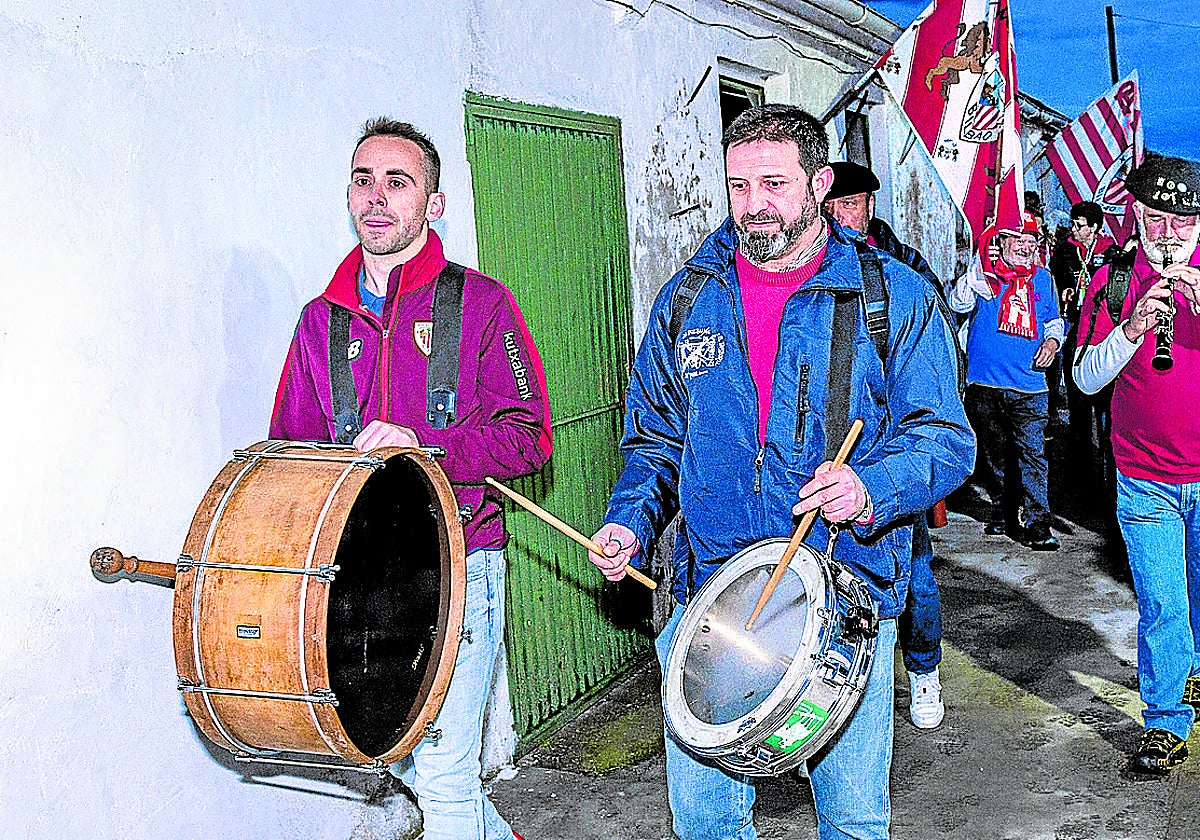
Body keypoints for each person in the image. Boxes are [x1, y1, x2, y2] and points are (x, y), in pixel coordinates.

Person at [587, 104, 974, 840]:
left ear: (819, 184)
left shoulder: (891, 297)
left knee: (854, 820)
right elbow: (656, 439)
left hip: (844, 596)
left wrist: (872, 487)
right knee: (704, 823)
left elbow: (947, 440)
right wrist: (629, 522)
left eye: (773, 183)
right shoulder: (687, 299)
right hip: (709, 598)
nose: (753, 204)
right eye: (738, 186)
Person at [270, 117, 550, 839]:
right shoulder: (319, 323)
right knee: (409, 760)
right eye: (364, 180)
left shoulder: (482, 304)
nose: (378, 197)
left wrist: (425, 447)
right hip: (353, 581)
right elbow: (291, 458)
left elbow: (530, 439)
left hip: (459, 566)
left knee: (449, 780)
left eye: (399, 182)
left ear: (434, 203)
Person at [1073, 153, 1200, 776]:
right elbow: (1085, 379)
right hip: (1144, 474)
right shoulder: (1114, 279)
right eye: (1155, 219)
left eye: (1183, 223)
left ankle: (1195, 676)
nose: (1168, 234)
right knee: (1163, 602)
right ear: (1136, 215)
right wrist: (1131, 327)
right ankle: (1167, 719)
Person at [823, 160, 948, 730]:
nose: (838, 214)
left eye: (849, 205)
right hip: (824, 464)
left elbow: (933, 374)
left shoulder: (902, 273)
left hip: (891, 462)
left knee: (914, 574)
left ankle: (924, 669)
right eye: (833, 204)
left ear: (869, 207)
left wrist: (898, 468)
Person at [949, 211, 1066, 550]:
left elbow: (1053, 320)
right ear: (1002, 242)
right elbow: (957, 303)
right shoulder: (985, 277)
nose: (1026, 247)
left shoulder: (1043, 278)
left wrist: (1052, 342)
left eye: (1031, 241)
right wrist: (974, 276)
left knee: (1032, 455)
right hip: (985, 383)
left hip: (1029, 385)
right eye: (1019, 239)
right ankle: (1003, 507)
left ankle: (1037, 522)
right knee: (996, 455)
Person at [1049, 201, 1121, 502]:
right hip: (1074, 332)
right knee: (1079, 407)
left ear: (1094, 227)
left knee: (1108, 412)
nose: (1075, 230)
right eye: (1073, 224)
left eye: (1080, 225)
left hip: (1103, 336)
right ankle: (1081, 476)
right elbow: (1056, 279)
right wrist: (1064, 289)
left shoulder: (1112, 253)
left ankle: (1109, 474)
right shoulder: (1065, 251)